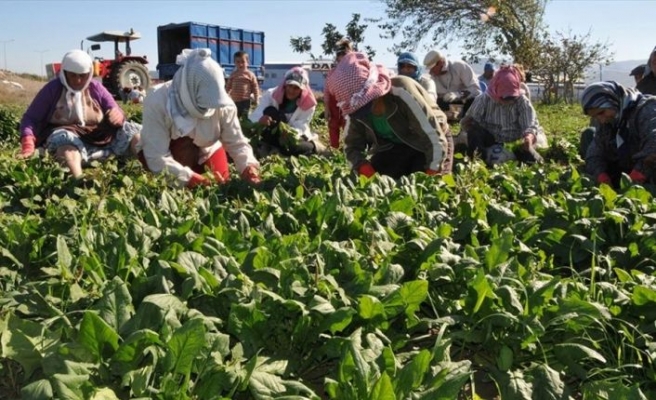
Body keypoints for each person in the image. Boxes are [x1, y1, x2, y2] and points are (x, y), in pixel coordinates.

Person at [139, 48, 260, 188]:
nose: (210, 108)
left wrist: (248, 167)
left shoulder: (222, 103)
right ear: (191, 89)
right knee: (173, 184)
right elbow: (156, 157)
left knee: (222, 184)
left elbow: (236, 142)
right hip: (169, 152)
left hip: (207, 147)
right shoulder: (158, 99)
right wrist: (190, 179)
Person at [325, 51, 453, 179]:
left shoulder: (402, 90)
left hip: (430, 141)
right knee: (383, 184)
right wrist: (362, 167)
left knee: (434, 188)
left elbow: (434, 137)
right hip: (394, 146)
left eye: (367, 103)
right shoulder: (356, 112)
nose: (363, 110)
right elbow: (351, 147)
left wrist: (432, 171)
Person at [18, 49, 139, 180]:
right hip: (67, 140)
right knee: (64, 142)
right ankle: (79, 181)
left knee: (133, 132)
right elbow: (31, 118)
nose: (78, 80)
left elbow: (114, 108)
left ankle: (153, 166)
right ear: (64, 73)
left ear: (89, 73)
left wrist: (117, 115)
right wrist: (28, 143)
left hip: (99, 138)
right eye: (73, 75)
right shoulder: (52, 89)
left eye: (83, 75)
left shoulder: (96, 88)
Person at [460, 65, 547, 166]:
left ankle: (525, 156)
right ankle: (478, 161)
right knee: (474, 132)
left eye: (511, 97)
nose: (508, 101)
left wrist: (528, 137)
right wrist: (470, 125)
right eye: (504, 97)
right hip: (491, 137)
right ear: (496, 91)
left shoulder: (522, 101)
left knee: (533, 160)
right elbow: (469, 121)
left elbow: (530, 124)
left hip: (515, 138)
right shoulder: (484, 99)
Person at [579, 81, 656, 187]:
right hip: (626, 165)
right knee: (589, 134)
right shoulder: (610, 119)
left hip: (648, 168)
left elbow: (653, 146)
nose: (601, 120)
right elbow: (594, 153)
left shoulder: (647, 109)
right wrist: (600, 175)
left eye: (602, 112)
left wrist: (639, 173)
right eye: (596, 116)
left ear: (613, 101)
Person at [248, 66, 326, 157]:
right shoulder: (271, 94)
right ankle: (273, 146)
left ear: (302, 90)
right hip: (271, 132)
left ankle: (313, 146)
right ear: (285, 85)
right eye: (290, 86)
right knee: (271, 111)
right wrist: (261, 119)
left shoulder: (308, 104)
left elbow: (301, 125)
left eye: (296, 88)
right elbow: (257, 113)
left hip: (289, 136)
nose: (291, 90)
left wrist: (290, 133)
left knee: (291, 147)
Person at [423, 49, 482, 119]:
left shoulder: (459, 66)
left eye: (432, 68)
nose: (430, 72)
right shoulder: (432, 77)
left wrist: (458, 94)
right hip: (446, 105)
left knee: (474, 100)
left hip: (465, 103)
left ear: (441, 62)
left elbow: (476, 89)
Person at [324, 38, 354, 148]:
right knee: (333, 125)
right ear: (337, 57)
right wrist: (327, 108)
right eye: (340, 55)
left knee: (349, 127)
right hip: (334, 104)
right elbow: (327, 91)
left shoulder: (355, 71)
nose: (342, 58)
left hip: (349, 104)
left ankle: (349, 148)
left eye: (345, 55)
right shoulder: (332, 73)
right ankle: (334, 147)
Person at [226, 51, 260, 119]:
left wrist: (256, 99)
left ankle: (244, 129)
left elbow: (255, 88)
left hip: (245, 101)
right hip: (235, 101)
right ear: (235, 63)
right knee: (235, 117)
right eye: (238, 62)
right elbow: (228, 87)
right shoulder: (233, 74)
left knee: (245, 118)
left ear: (247, 62)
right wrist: (225, 96)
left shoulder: (250, 74)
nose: (240, 64)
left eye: (243, 62)